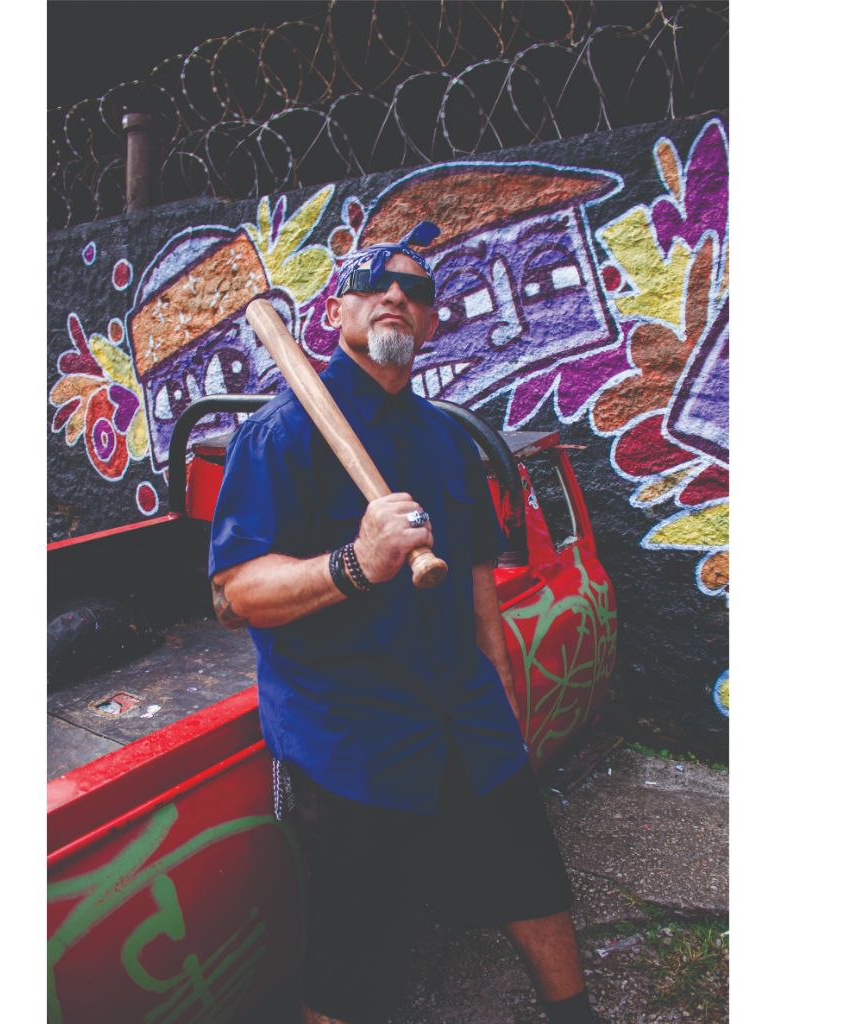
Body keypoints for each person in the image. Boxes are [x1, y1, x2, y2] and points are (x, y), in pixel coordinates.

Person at [209, 222, 601, 1024]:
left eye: (416, 289)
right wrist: (356, 561)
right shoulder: (279, 437)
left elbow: (478, 580)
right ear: (337, 312)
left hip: (465, 713)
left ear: (429, 321)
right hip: (350, 737)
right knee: (355, 948)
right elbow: (236, 592)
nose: (395, 293)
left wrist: (502, 698)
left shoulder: (448, 440)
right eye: (371, 281)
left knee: (529, 876)